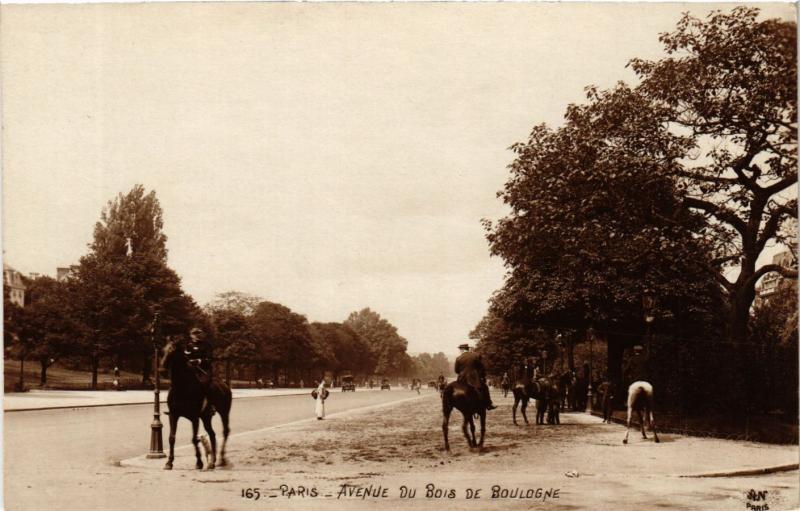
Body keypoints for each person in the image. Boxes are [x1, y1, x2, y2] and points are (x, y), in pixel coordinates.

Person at [454, 344, 496, 410]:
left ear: (462, 349)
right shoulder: (475, 356)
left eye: (460, 349)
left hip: (462, 379)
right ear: (467, 349)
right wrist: (482, 376)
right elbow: (481, 367)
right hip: (474, 378)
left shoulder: (458, 358)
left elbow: (456, 371)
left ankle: (454, 403)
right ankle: (489, 404)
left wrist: (462, 373)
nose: (460, 351)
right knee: (485, 388)